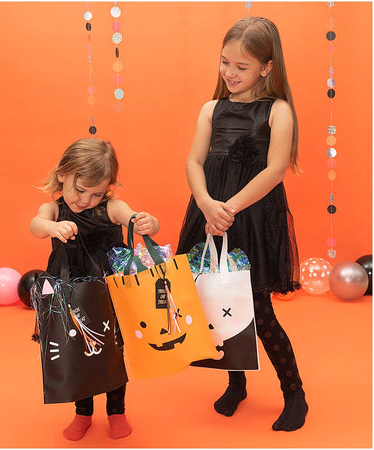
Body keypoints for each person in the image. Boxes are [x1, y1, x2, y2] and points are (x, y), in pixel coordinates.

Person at [176, 17, 308, 431]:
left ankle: (295, 394)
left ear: (267, 67)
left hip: (249, 217)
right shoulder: (211, 109)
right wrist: (206, 203)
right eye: (225, 63)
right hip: (209, 214)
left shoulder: (278, 111)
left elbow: (275, 170)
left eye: (241, 66)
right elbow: (194, 161)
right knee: (218, 302)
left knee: (259, 311)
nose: (230, 73)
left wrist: (228, 209)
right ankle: (236, 383)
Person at [30, 138, 159, 441]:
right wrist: (52, 227)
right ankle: (83, 412)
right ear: (62, 174)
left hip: (109, 292)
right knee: (75, 348)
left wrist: (148, 223)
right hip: (70, 290)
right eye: (80, 189)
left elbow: (133, 218)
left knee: (113, 350)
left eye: (96, 193)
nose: (86, 200)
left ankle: (116, 411)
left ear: (107, 189)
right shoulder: (52, 209)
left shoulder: (112, 208)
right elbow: (36, 225)